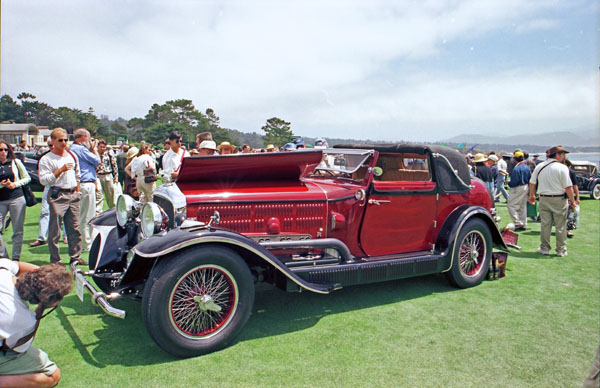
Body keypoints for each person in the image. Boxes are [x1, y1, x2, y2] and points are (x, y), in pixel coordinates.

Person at [0, 259, 71, 387]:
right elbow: (17, 349)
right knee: (52, 375)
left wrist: (46, 275)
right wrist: (40, 310)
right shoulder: (24, 321)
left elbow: (18, 265)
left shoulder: (2, 270)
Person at [38, 127, 85, 265]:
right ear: (52, 141)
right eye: (60, 140)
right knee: (55, 230)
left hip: (72, 194)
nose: (64, 142)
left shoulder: (71, 155)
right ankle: (55, 259)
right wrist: (60, 170)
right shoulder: (47, 159)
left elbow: (77, 174)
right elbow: (44, 180)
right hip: (57, 195)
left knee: (75, 228)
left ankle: (75, 257)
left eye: (65, 140)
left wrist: (77, 190)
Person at [528, 145, 576, 257]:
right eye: (563, 154)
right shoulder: (562, 168)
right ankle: (561, 250)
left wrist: (532, 195)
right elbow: (568, 187)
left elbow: (532, 182)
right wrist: (572, 201)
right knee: (561, 226)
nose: (564, 156)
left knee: (545, 225)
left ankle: (544, 248)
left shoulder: (539, 166)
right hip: (559, 199)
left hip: (544, 198)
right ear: (557, 155)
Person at [69, 128, 100, 252]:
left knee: (86, 215)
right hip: (85, 183)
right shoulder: (80, 149)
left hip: (84, 183)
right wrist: (94, 149)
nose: (90, 140)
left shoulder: (74, 149)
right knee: (87, 215)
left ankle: (87, 242)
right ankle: (86, 244)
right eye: (88, 138)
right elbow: (97, 160)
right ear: (82, 137)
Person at [0, 140, 31, 261]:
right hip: (1, 200)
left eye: (5, 150)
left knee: (17, 230)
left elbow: (27, 178)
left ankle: (15, 258)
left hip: (16, 198)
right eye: (0, 150)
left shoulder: (15, 162)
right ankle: (3, 256)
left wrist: (15, 184)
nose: (3, 152)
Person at [507, 151, 531, 231]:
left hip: (518, 187)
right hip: (526, 186)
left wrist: (509, 183)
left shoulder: (517, 168)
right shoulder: (526, 167)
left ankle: (517, 222)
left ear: (515, 159)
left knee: (511, 205)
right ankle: (523, 223)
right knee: (522, 206)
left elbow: (514, 182)